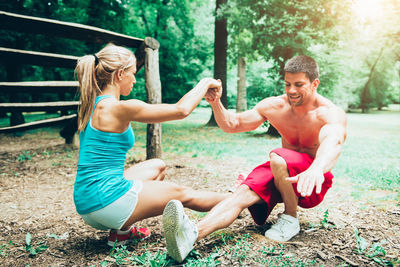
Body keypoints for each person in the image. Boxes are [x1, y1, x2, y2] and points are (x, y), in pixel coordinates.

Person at [162, 55, 347, 263]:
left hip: (311, 180)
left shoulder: (329, 113)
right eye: (287, 84)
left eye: (299, 85)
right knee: (241, 194)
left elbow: (334, 143)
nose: (291, 90)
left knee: (278, 157)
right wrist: (216, 103)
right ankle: (191, 234)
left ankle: (291, 218)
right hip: (282, 174)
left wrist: (317, 168)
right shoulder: (275, 106)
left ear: (315, 84)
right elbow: (233, 124)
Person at [73, 43, 229, 247]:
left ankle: (121, 234)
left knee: (157, 166)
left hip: (86, 204)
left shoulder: (92, 104)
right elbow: (181, 110)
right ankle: (235, 200)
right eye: (132, 73)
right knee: (184, 194)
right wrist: (205, 83)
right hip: (106, 203)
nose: (135, 80)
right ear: (120, 74)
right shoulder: (119, 108)